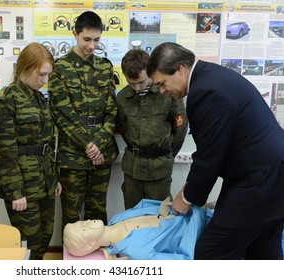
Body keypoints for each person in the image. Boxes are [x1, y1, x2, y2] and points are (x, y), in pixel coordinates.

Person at [147, 42, 284, 260]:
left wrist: (188, 198)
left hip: (260, 182)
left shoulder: (205, 92)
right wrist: (188, 188)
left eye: (163, 83)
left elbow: (210, 156)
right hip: (272, 176)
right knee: (262, 248)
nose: (163, 91)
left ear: (180, 69)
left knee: (210, 253)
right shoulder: (211, 76)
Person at [0, 42, 62, 260]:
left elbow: (49, 143)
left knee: (45, 238)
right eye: (42, 75)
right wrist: (15, 191)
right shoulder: (6, 99)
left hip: (45, 182)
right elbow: (2, 151)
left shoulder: (39, 99)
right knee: (29, 243)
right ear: (26, 68)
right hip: (24, 187)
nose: (45, 81)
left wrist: (54, 178)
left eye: (48, 76)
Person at [48, 11, 119, 230]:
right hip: (73, 156)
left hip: (102, 154)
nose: (91, 46)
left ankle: (98, 262)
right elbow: (62, 113)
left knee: (98, 212)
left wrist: (98, 144)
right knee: (71, 214)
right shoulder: (59, 68)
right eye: (86, 39)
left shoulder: (106, 67)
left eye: (97, 40)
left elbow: (112, 111)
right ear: (75, 34)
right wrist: (88, 145)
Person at [117, 49, 188, 209]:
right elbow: (123, 129)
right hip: (132, 171)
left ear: (150, 72)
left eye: (141, 82)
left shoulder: (167, 93)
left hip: (159, 171)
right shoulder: (122, 97)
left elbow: (180, 128)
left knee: (159, 217)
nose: (136, 88)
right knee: (131, 217)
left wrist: (167, 155)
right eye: (131, 83)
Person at [63, 198, 210, 260]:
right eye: (83, 228)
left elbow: (146, 206)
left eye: (81, 222)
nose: (86, 221)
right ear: (90, 244)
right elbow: (184, 259)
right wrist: (199, 213)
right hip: (203, 228)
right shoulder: (136, 251)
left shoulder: (117, 218)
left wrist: (176, 204)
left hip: (194, 210)